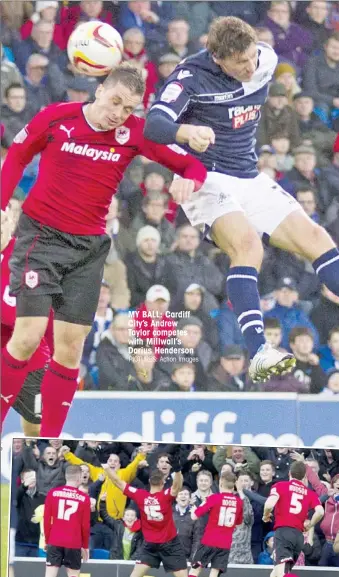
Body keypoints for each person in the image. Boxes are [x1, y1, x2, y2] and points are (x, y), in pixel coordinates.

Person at [144, 16, 339, 383]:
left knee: (318, 239)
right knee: (248, 247)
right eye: (240, 62)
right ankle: (259, 351)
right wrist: (185, 130)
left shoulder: (267, 59)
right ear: (216, 57)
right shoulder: (190, 76)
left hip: (249, 175)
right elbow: (153, 125)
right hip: (206, 179)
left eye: (252, 57)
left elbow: (262, 67)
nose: (250, 66)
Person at [1, 63, 207, 436]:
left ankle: (48, 445)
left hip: (88, 249)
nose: (119, 114)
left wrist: (188, 179)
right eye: (115, 102)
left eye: (128, 108)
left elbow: (191, 163)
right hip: (41, 238)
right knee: (28, 335)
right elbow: (16, 156)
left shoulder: (134, 134)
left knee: (70, 351)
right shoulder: (56, 118)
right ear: (99, 91)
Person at [1, 214, 52, 436]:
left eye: (3, 221)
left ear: (11, 224)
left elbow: (18, 318)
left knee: (38, 431)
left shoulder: (24, 260)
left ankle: (33, 467)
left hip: (28, 362)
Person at [103, 463, 188, 577]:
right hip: (170, 543)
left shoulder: (140, 495)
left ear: (149, 481)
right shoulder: (165, 495)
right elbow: (176, 487)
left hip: (150, 544)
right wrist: (177, 470)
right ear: (163, 482)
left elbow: (118, 482)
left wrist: (106, 466)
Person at [262, 461, 324, 577]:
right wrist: (310, 525)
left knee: (282, 573)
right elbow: (320, 512)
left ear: (289, 473)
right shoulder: (310, 493)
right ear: (304, 476)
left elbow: (269, 505)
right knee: (275, 573)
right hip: (298, 537)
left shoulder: (280, 486)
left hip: (284, 533)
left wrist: (266, 515)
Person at [189, 471, 244, 577]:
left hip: (209, 541)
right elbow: (238, 522)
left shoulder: (214, 498)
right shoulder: (239, 502)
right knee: (214, 573)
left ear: (221, 483)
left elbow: (194, 516)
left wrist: (193, 509)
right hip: (225, 544)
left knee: (195, 570)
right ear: (234, 485)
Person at [43, 464, 91, 577]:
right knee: (73, 574)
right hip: (73, 542)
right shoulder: (84, 498)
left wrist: (47, 540)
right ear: (79, 478)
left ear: (66, 476)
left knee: (50, 575)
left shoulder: (52, 493)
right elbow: (85, 526)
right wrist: (85, 546)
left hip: (55, 540)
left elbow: (46, 520)